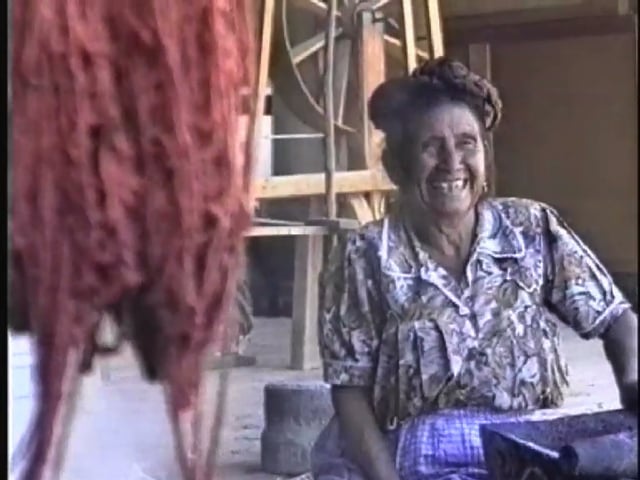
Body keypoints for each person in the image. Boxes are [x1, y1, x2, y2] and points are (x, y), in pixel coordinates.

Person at [311, 57, 638, 480]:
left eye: (467, 143)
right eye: (431, 147)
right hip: (417, 462)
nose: (452, 162)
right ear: (398, 165)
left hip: (526, 454)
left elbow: (616, 319)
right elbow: (350, 393)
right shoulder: (365, 254)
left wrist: (632, 382)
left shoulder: (530, 228)